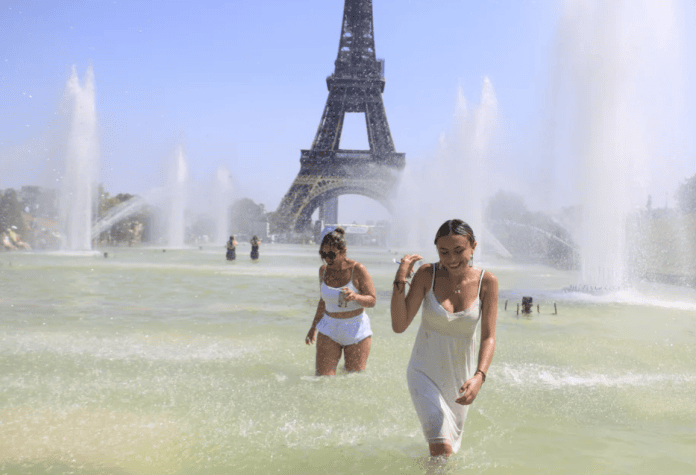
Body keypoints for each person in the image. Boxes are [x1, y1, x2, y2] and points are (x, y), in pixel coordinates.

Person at [391, 219, 498, 457]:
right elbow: (399, 325)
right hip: (423, 373)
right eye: (444, 252)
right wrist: (401, 278)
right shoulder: (426, 274)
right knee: (442, 451)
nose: (451, 259)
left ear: (473, 247)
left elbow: (489, 337)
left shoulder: (487, 282)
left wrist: (479, 377)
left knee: (446, 454)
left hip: (459, 380)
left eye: (459, 250)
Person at [305, 227, 376, 375]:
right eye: (323, 254)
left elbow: (372, 300)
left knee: (353, 379)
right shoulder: (323, 271)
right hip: (329, 328)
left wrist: (356, 296)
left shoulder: (357, 269)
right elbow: (323, 301)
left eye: (331, 254)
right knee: (322, 379)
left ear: (343, 251)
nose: (327, 259)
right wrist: (313, 327)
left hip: (356, 330)